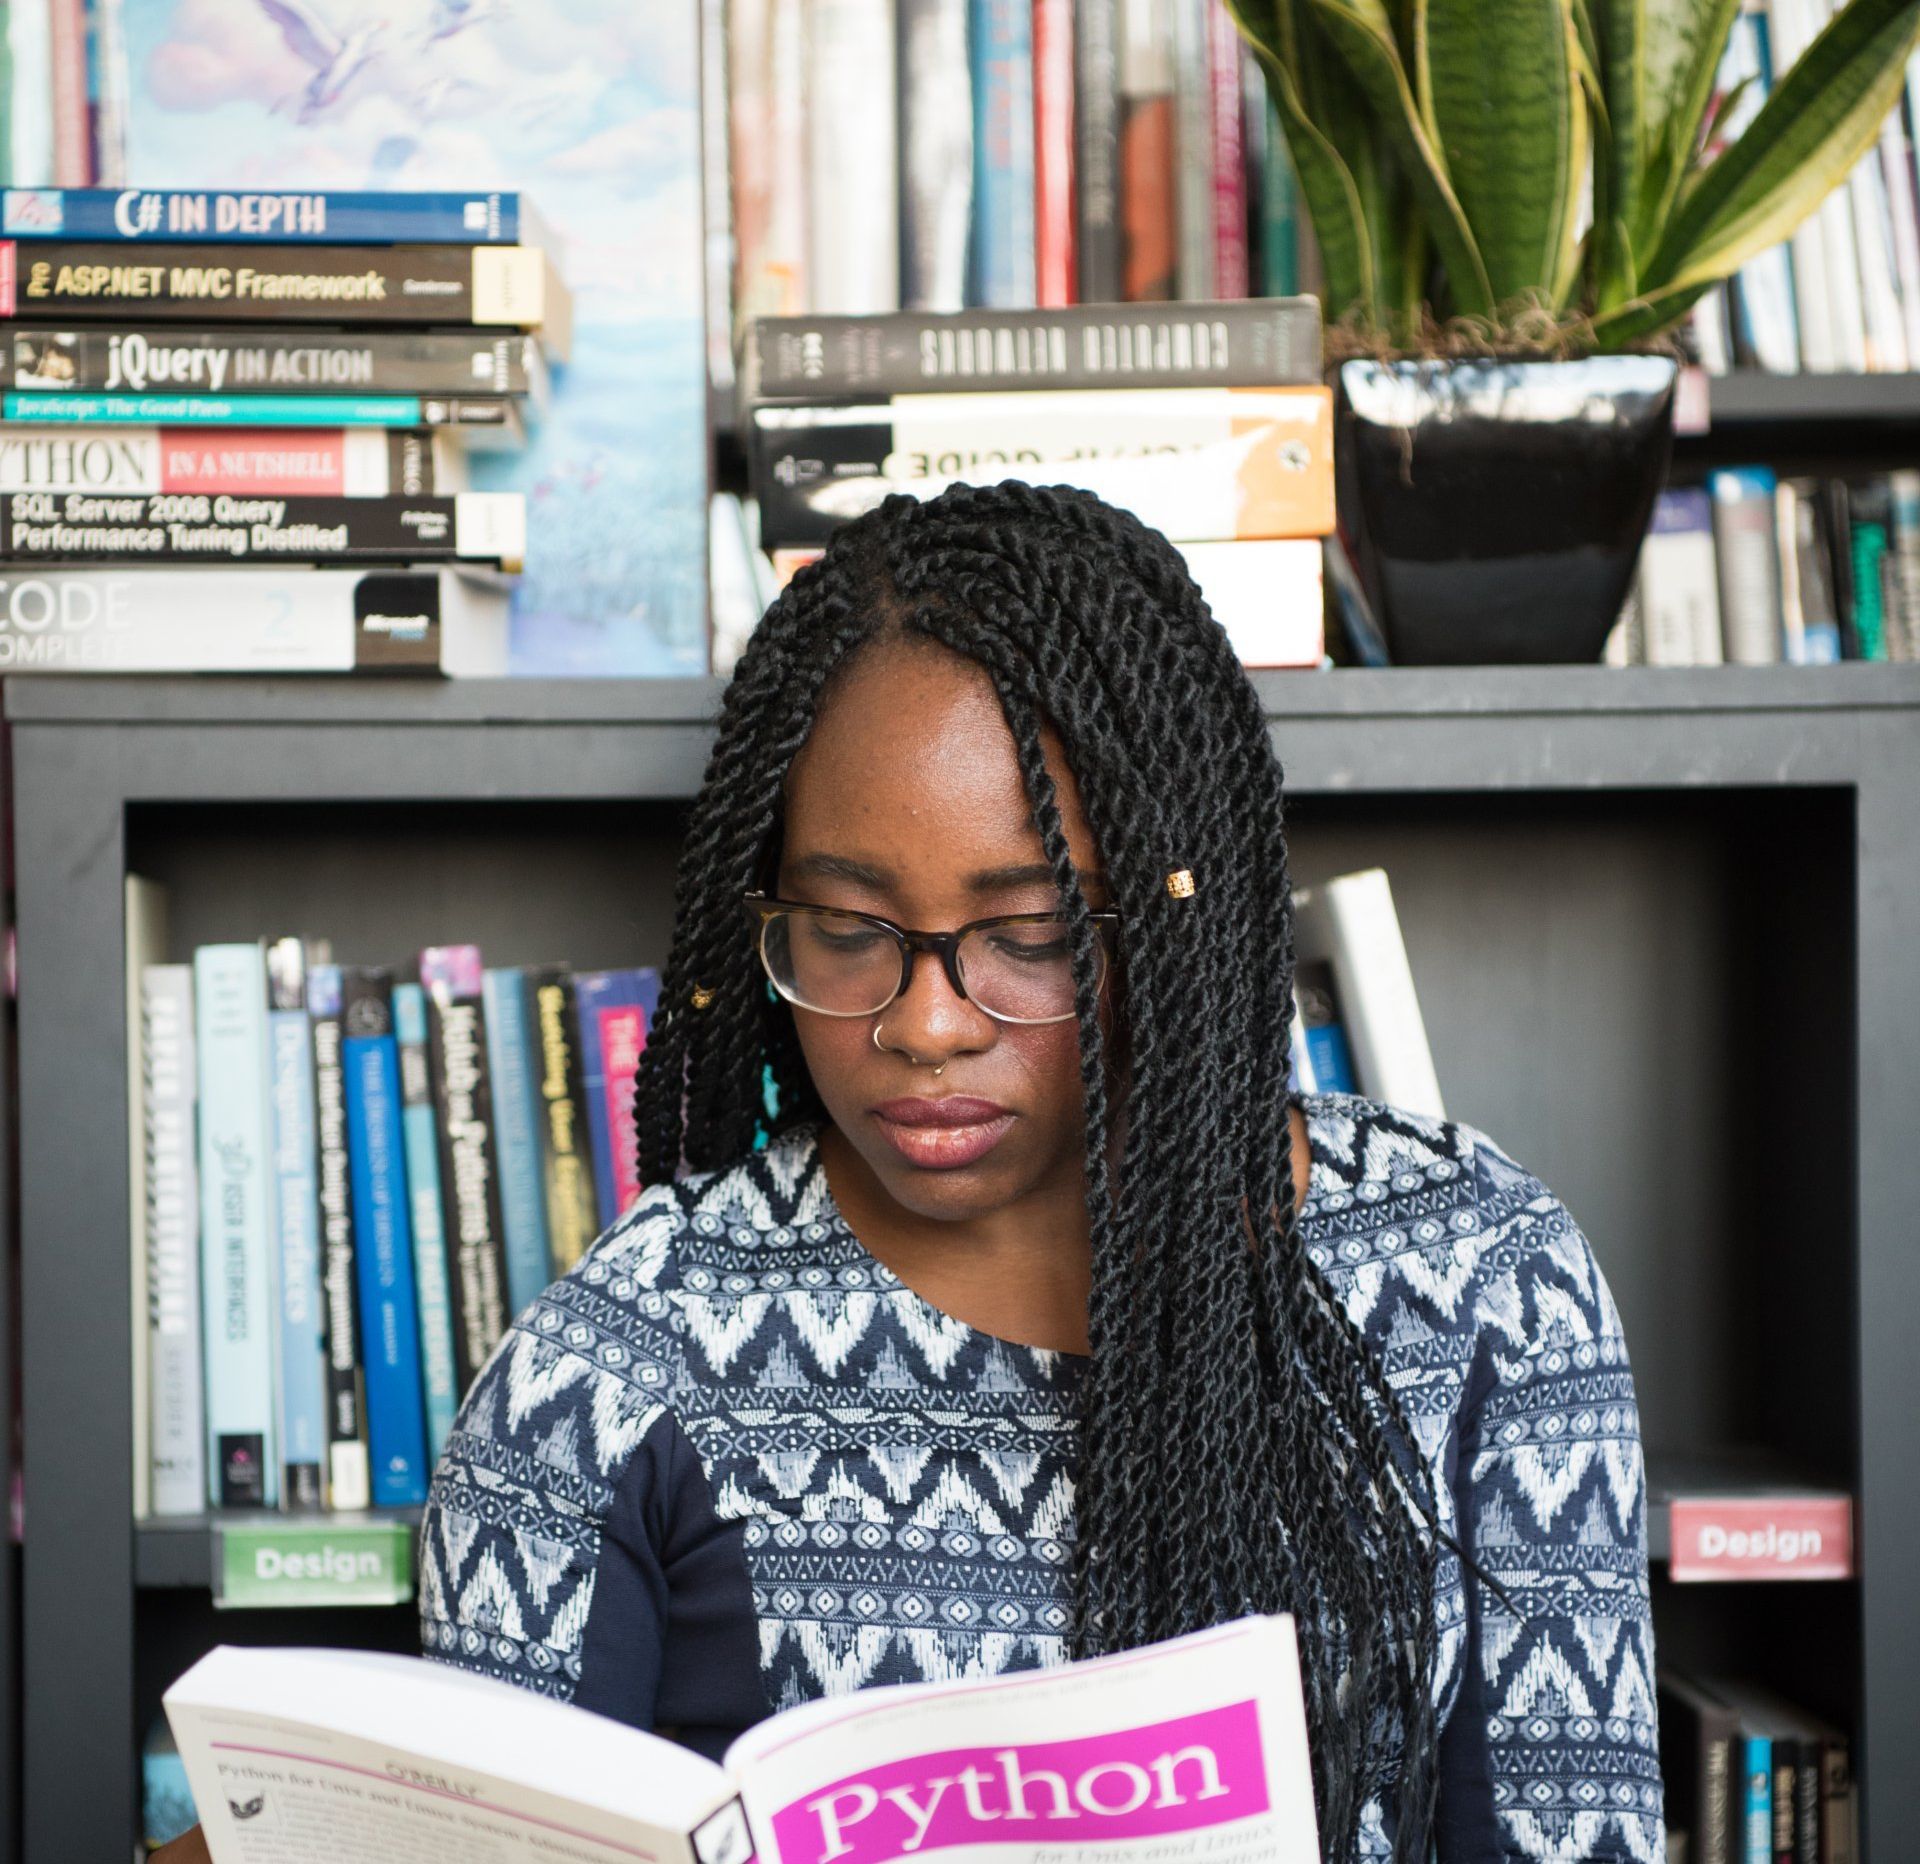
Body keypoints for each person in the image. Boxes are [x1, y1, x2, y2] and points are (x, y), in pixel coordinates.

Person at [160, 481, 1664, 1864]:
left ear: (1168, 918)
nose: (926, 1022)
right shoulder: (617, 1368)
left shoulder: (1486, 1284)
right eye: (849, 930)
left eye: (1028, 935)